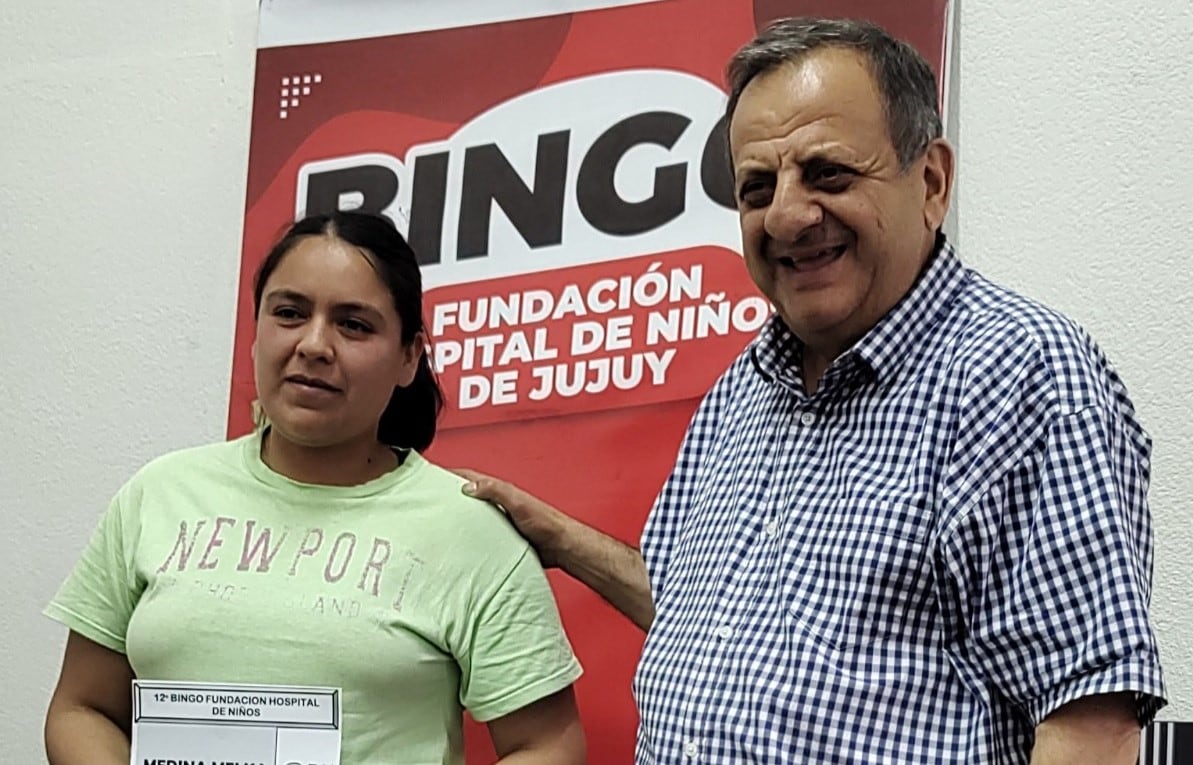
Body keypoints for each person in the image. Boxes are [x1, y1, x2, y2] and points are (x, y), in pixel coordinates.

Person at [459, 16, 1166, 764]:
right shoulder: (743, 388)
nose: (788, 216)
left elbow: (1090, 721)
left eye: (828, 173)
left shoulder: (1020, 374)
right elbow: (692, 612)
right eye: (756, 188)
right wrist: (563, 541)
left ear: (929, 182)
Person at [43, 211, 586, 765]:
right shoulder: (157, 494)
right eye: (289, 313)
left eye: (353, 324)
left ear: (408, 357)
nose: (314, 344)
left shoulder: (470, 530)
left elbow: (547, 744)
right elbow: (82, 708)